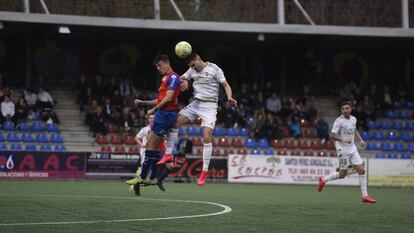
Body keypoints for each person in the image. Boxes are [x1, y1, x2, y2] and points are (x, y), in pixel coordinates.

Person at [159, 53, 237, 186]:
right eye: (191, 66)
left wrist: (229, 97)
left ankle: (204, 171)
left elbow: (225, 85)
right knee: (175, 123)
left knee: (206, 136)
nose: (193, 68)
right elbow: (179, 78)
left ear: (199, 59)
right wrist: (183, 81)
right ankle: (168, 154)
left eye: (194, 65)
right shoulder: (191, 70)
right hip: (196, 104)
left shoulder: (214, 69)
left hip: (210, 106)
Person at [126, 54, 181, 189]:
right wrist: (144, 103)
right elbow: (160, 99)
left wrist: (153, 111)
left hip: (166, 115)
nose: (158, 68)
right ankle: (149, 177)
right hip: (163, 113)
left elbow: (168, 98)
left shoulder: (173, 77)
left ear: (165, 63)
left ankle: (145, 177)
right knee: (152, 146)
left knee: (151, 145)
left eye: (159, 65)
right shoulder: (165, 78)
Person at [317, 101, 376, 203]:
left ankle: (365, 196)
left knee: (361, 170)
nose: (345, 110)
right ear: (341, 110)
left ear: (350, 109)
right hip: (342, 150)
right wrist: (343, 139)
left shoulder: (353, 119)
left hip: (352, 149)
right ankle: (324, 179)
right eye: (343, 109)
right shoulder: (339, 121)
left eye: (347, 108)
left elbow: (354, 129)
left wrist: (361, 140)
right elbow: (333, 135)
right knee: (342, 174)